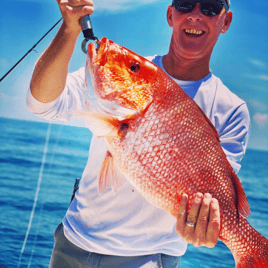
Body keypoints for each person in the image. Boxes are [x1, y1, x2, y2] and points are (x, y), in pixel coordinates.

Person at [26, 0, 250, 267]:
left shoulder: (231, 110)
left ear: (226, 22)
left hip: (147, 259)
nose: (195, 16)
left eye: (211, 7)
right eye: (186, 4)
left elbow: (217, 199)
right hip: (72, 243)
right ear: (171, 14)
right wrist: (69, 29)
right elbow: (41, 103)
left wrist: (205, 224)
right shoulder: (112, 80)